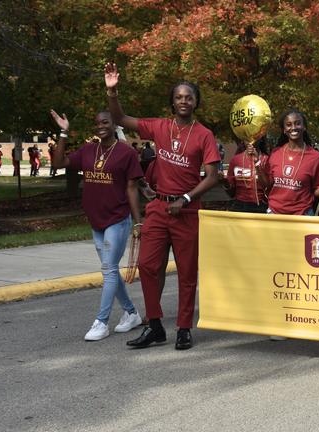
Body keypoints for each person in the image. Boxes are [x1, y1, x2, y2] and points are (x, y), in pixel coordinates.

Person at [104, 63, 221, 350]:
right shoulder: (159, 126)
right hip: (159, 207)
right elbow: (119, 117)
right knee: (146, 265)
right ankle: (155, 326)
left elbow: (213, 175)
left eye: (189, 97)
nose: (184, 101)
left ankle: (183, 328)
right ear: (173, 101)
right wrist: (112, 91)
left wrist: (188, 199)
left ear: (196, 102)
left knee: (186, 272)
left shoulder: (203, 134)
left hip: (187, 211)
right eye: (179, 97)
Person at [49, 109, 145, 341]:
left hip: (117, 219)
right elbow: (59, 161)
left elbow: (132, 189)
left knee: (109, 269)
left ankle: (101, 322)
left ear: (114, 125)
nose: (101, 126)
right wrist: (63, 132)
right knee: (110, 270)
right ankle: (131, 313)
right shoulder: (89, 150)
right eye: (98, 122)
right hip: (96, 221)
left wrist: (138, 221)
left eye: (106, 122)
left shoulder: (126, 153)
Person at [255, 109, 319, 215]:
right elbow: (267, 184)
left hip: (301, 215)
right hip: (275, 214)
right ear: (284, 130)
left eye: (298, 123)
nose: (293, 127)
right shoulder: (275, 153)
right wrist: (256, 164)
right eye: (288, 124)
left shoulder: (316, 157)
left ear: (304, 127)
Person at [224, 138, 269, 213]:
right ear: (243, 140)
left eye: (254, 138)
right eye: (247, 138)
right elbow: (231, 193)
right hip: (239, 206)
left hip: (261, 206)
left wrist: (257, 163)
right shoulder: (235, 160)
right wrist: (223, 182)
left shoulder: (267, 160)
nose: (251, 141)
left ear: (260, 139)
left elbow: (268, 188)